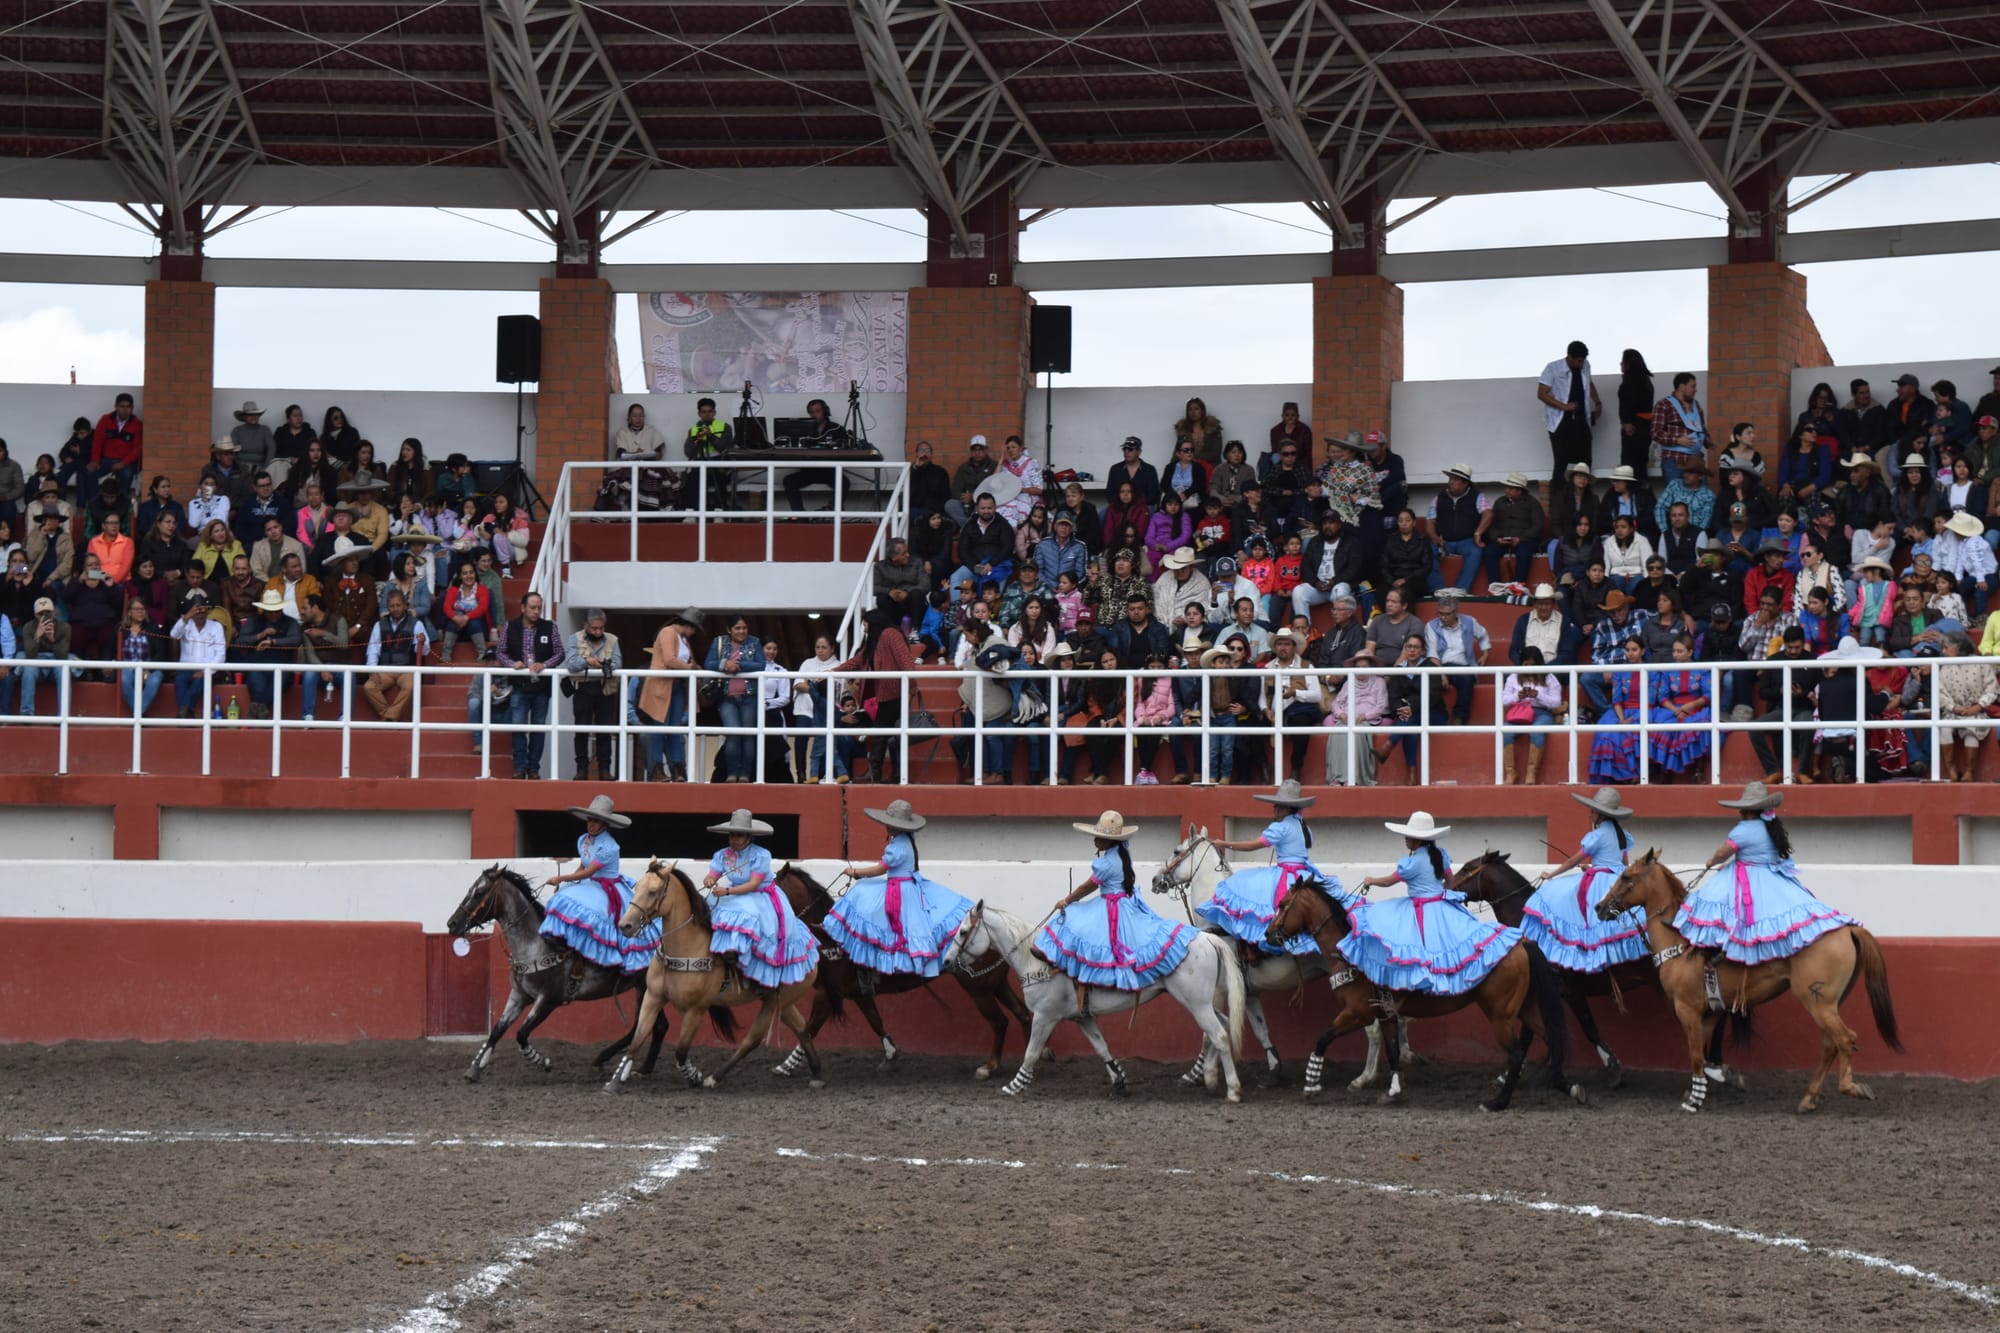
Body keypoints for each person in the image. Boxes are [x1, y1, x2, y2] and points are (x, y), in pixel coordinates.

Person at [1681, 783, 1856, 965]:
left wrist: (1711, 862)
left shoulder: (1743, 829)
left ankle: (1723, 948)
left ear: (1747, 810)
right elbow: (1756, 854)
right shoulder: (1771, 826)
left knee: (1716, 900)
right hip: (1769, 874)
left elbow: (1722, 853)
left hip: (1750, 876)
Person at [1345, 811, 1518, 995]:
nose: (1405, 839)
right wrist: (1439, 893)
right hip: (1440, 905)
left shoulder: (1412, 863)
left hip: (1420, 909)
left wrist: (1371, 880)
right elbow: (1451, 883)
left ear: (1417, 840)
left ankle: (1410, 991)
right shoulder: (1440, 856)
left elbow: (1389, 881)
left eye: (1408, 836)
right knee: (1449, 948)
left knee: (1414, 948)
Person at [1039, 810, 1192, 990]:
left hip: (1112, 905)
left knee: (1072, 918)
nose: (1094, 840)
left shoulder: (1107, 863)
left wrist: (1066, 900)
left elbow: (1087, 887)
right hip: (1122, 902)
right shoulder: (1121, 854)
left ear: (1110, 840)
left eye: (1099, 837)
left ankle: (1081, 983)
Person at [826, 800, 975, 978]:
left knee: (862, 896)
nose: (886, 827)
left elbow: (880, 869)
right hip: (908, 885)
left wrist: (856, 872)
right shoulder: (906, 840)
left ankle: (877, 966)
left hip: (900, 890)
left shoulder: (897, 847)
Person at [1199, 780, 1343, 957]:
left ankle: (1258, 949)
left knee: (1241, 887)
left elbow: (1254, 845)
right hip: (1304, 873)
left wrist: (1226, 844)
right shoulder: (1303, 826)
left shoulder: (1281, 827)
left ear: (1285, 808)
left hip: (1287, 874)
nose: (1273, 810)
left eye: (1276, 807)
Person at [535, 795, 661, 974]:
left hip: (608, 887)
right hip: (589, 883)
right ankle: (571, 952)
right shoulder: (584, 839)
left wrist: (561, 878)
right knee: (562, 898)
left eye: (596, 821)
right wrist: (571, 882)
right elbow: (583, 867)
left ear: (605, 824)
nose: (591, 824)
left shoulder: (610, 846)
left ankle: (611, 960)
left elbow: (589, 871)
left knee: (603, 917)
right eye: (589, 820)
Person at [1522, 788, 1644, 970]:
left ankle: (1589, 959)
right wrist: (1595, 867)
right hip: (1617, 879)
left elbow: (1572, 861)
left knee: (1553, 894)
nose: (1591, 814)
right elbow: (1622, 863)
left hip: (1601, 882)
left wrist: (1551, 875)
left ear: (1600, 815)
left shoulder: (1596, 836)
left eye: (1593, 811)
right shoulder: (1620, 834)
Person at [702, 808, 817, 988]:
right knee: (707, 910)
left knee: (749, 918)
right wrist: (709, 880)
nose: (735, 839)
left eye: (740, 836)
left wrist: (727, 892)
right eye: (732, 835)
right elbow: (713, 874)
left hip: (758, 895)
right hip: (733, 893)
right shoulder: (723, 854)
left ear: (749, 837)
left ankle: (748, 967)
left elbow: (753, 884)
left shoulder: (760, 855)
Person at [496, 590, 562, 778]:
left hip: (541, 687)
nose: (536, 611)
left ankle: (534, 768)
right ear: (523, 608)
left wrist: (545, 664)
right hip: (519, 685)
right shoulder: (511, 626)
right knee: (518, 727)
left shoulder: (550, 627)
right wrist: (512, 664)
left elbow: (559, 653)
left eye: (539, 608)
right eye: (532, 608)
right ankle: (520, 768)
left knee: (539, 729)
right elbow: (501, 652)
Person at [636, 608, 702, 782]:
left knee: (675, 728)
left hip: (677, 685)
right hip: (662, 685)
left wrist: (696, 668)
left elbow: (689, 661)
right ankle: (657, 768)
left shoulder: (684, 640)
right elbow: (669, 659)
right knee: (660, 727)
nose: (694, 632)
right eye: (694, 628)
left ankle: (677, 768)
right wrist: (691, 669)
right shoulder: (668, 632)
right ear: (688, 625)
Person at [703, 614, 765, 782]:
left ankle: (745, 774)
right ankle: (731, 774)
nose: (741, 631)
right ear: (729, 629)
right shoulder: (719, 642)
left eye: (744, 628)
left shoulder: (755, 642)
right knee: (733, 734)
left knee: (748, 735)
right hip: (726, 697)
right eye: (737, 628)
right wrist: (724, 664)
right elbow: (708, 663)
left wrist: (738, 666)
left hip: (749, 696)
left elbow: (761, 664)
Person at [565, 607, 622, 781]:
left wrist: (606, 665)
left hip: (605, 689)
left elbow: (618, 663)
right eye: (594, 628)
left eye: (601, 628)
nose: (598, 632)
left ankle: (605, 769)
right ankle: (581, 769)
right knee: (581, 730)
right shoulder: (574, 638)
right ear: (586, 626)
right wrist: (587, 662)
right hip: (583, 688)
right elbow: (571, 664)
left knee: (604, 730)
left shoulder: (612, 640)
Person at [1647, 635, 1712, 779]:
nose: (1675, 655)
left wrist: (1691, 706)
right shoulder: (1668, 670)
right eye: (1674, 651)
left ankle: (1698, 772)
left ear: (1690, 652)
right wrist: (1675, 710)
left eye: (1679, 651)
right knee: (1661, 727)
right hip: (1673, 709)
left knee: (1700, 725)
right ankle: (1665, 772)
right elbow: (1662, 696)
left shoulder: (1702, 669)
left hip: (1696, 708)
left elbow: (1708, 694)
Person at [1538, 340, 1601, 486]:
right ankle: (1560, 500)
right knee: (1561, 462)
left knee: (1585, 461)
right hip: (1560, 421)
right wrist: (1563, 406)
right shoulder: (1553, 368)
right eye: (1578, 361)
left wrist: (1598, 402)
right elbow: (1541, 393)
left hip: (1581, 420)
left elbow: (1589, 383)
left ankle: (1582, 497)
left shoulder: (1586, 366)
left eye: (1583, 360)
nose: (1581, 364)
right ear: (1569, 357)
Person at [1423, 588, 1490, 726]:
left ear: (1456, 612)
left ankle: (1459, 717)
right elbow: (1432, 653)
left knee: (1467, 679)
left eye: (1447, 614)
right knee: (1428, 682)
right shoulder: (1431, 626)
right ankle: (1436, 717)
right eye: (1440, 613)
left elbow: (1483, 636)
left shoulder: (1469, 621)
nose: (1443, 617)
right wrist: (1441, 674)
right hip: (1440, 666)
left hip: (1463, 666)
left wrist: (1485, 654)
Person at [361, 586, 428, 722]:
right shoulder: (379, 625)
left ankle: (389, 717)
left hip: (407, 669)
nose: (396, 608)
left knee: (411, 685)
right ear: (388, 608)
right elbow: (373, 650)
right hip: (386, 669)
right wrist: (372, 671)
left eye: (398, 605)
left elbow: (424, 651)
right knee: (369, 686)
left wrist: (423, 641)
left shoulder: (416, 624)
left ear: (404, 605)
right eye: (392, 606)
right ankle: (389, 715)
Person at [1500, 645, 1565, 785]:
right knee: (1505, 731)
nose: (1529, 668)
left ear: (1539, 664)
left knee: (1537, 730)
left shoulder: (1549, 677)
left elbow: (1556, 703)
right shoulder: (1513, 677)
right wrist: (1517, 696)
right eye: (1526, 665)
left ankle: (1531, 773)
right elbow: (1503, 700)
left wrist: (1539, 695)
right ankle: (1511, 773)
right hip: (1519, 712)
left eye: (1533, 665)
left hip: (1542, 713)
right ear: (1521, 663)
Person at [231, 587, 301, 718]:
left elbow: (296, 639)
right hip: (257, 664)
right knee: (257, 684)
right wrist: (261, 635)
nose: (274, 614)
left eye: (277, 611)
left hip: (282, 666)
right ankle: (261, 710)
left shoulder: (290, 622)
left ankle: (257, 707)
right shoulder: (254, 621)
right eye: (270, 612)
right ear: (264, 610)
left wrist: (273, 642)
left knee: (281, 681)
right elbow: (240, 640)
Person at [1588, 636, 1646, 782]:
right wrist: (1621, 719)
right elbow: (1617, 699)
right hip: (1621, 710)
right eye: (1627, 650)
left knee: (1629, 731)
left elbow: (1649, 699)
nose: (1631, 653)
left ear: (1643, 651)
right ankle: (1610, 775)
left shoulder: (1650, 670)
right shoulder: (1620, 671)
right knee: (1605, 730)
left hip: (1645, 709)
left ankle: (1633, 774)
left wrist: (1629, 719)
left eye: (1634, 650)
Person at [1291, 509, 1361, 620]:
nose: (1327, 526)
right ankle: (1304, 630)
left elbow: (1354, 568)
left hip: (1337, 585)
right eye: (1325, 523)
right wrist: (1315, 582)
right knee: (1298, 591)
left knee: (1341, 591)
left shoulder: (1350, 542)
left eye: (1331, 523)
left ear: (1339, 525)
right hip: (1318, 587)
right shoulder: (1315, 542)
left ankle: (1342, 632)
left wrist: (1335, 580)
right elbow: (1305, 566)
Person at [168, 590, 228, 718]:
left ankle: (183, 713)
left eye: (202, 610)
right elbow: (174, 635)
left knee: (199, 682)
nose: (200, 613)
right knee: (180, 680)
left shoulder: (216, 626)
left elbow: (220, 654)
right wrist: (186, 617)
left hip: (208, 668)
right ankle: (186, 713)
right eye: (196, 610)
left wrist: (207, 670)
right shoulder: (185, 624)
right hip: (186, 668)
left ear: (207, 611)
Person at [1428, 464, 1491, 580]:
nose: (1451, 482)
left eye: (1455, 480)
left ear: (1465, 483)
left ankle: (1461, 590)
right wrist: (1433, 536)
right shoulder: (1439, 497)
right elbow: (1430, 520)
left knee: (1475, 551)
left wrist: (1478, 533)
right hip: (1444, 541)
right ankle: (1437, 589)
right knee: (1428, 550)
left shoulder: (1477, 496)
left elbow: (1488, 514)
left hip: (1467, 541)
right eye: (1450, 479)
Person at [1484, 473, 1545, 587]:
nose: (1506, 490)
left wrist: (1521, 538)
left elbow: (1538, 526)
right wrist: (1497, 538)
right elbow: (1492, 525)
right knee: (1489, 552)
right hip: (1502, 540)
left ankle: (1517, 586)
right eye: (1506, 487)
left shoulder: (1532, 503)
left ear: (1520, 491)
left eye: (1510, 488)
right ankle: (1495, 586)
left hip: (1525, 540)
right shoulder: (1499, 502)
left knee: (1524, 553)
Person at [1651, 372, 1710, 475]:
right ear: (1682, 387)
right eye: (1693, 386)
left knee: (1699, 490)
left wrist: (1707, 441)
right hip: (1674, 460)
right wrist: (1677, 440)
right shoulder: (1664, 404)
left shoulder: (1697, 405)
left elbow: (1701, 429)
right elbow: (1655, 433)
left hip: (1695, 460)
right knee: (1675, 490)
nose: (1695, 390)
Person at [90, 392, 143, 496]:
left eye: (128, 407)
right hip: (106, 460)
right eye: (121, 406)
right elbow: (97, 442)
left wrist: (123, 463)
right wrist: (95, 460)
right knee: (88, 472)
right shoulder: (105, 419)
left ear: (132, 408)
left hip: (126, 462)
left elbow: (137, 449)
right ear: (116, 406)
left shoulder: (137, 424)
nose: (125, 409)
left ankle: (121, 505)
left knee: (127, 475)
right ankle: (94, 504)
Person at [1616, 349, 1656, 481]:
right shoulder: (1646, 380)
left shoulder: (1631, 380)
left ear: (1627, 363)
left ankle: (1633, 495)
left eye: (1623, 361)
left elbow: (1628, 402)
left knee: (1629, 467)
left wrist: (1626, 421)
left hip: (1634, 427)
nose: (1620, 364)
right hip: (1645, 427)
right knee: (1640, 465)